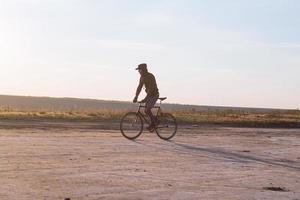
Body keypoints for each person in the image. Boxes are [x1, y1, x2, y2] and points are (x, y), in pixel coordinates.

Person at [133, 63, 159, 131]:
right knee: (146, 111)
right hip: (149, 95)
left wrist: (145, 99)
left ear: (143, 70)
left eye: (139, 70)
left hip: (154, 95)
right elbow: (139, 87)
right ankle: (154, 121)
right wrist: (136, 96)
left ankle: (153, 124)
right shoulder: (142, 77)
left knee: (147, 110)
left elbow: (151, 89)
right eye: (138, 70)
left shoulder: (150, 76)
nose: (138, 71)